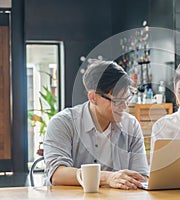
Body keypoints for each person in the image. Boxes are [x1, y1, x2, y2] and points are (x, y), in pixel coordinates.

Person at [44, 59, 149, 190]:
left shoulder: (131, 125)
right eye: (117, 101)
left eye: (127, 98)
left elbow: (142, 176)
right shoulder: (63, 123)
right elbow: (57, 174)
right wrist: (108, 177)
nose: (125, 106)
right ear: (93, 98)